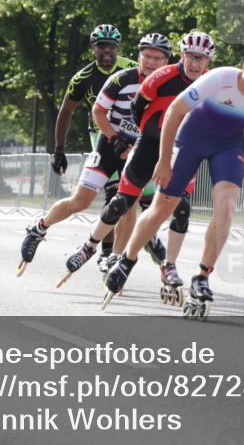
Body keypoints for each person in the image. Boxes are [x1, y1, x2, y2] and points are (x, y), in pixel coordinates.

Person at [101, 38, 244, 317]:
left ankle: (202, 276)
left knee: (226, 208)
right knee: (162, 208)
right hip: (191, 139)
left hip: (228, 146)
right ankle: (127, 259)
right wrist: (164, 160)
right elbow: (174, 111)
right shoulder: (219, 79)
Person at [57, 32, 215, 295]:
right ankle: (90, 246)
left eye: (202, 59)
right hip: (150, 143)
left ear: (209, 60)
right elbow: (137, 108)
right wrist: (147, 134)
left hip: (183, 150)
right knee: (122, 202)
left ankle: (169, 265)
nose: (195, 64)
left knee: (182, 208)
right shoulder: (162, 76)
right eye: (191, 57)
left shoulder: (213, 83)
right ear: (182, 55)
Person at [16, 23, 136, 275]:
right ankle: (39, 228)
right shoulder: (82, 78)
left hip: (131, 140)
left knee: (123, 200)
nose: (107, 50)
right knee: (84, 200)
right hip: (102, 135)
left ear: (118, 48)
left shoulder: (133, 69)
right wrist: (58, 150)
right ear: (93, 48)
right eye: (102, 46)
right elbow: (65, 112)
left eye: (111, 46)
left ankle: (110, 255)